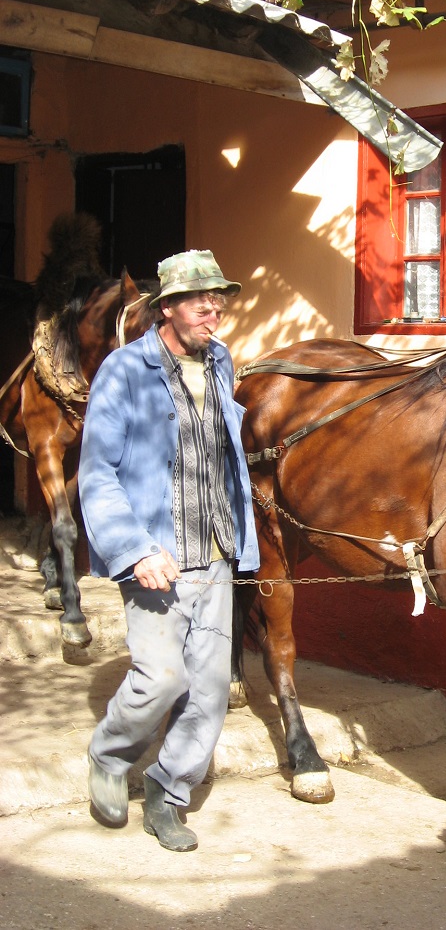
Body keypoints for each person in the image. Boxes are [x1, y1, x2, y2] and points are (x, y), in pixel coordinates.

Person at [79, 249, 259, 852]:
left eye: (219, 297)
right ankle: (109, 755)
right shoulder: (123, 371)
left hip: (215, 554)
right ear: (169, 307)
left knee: (208, 693)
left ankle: (168, 789)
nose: (215, 308)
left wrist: (240, 542)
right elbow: (97, 472)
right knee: (160, 677)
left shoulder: (221, 363)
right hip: (155, 557)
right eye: (200, 298)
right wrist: (134, 550)